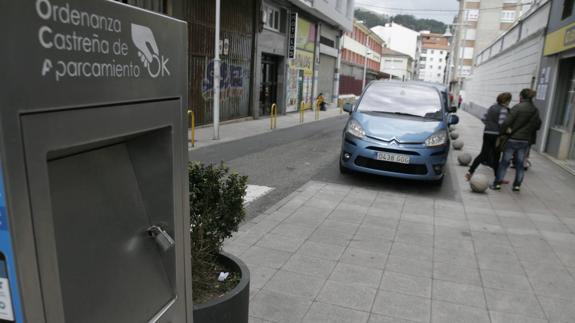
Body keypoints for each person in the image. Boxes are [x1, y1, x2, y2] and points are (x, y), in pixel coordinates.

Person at [491, 89, 542, 192]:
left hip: (513, 139)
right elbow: (538, 125)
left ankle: (497, 184)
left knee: (505, 162)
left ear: (521, 97)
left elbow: (506, 122)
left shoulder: (517, 108)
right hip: (525, 141)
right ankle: (517, 185)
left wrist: (503, 132)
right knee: (520, 164)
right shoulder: (535, 110)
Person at [465, 92, 512, 182]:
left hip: (487, 133)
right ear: (506, 100)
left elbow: (483, 118)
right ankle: (498, 178)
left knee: (483, 154)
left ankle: (470, 172)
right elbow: (502, 123)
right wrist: (507, 130)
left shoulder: (492, 107)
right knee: (496, 156)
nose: (509, 102)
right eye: (509, 100)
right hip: (496, 135)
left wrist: (489, 125)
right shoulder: (503, 109)